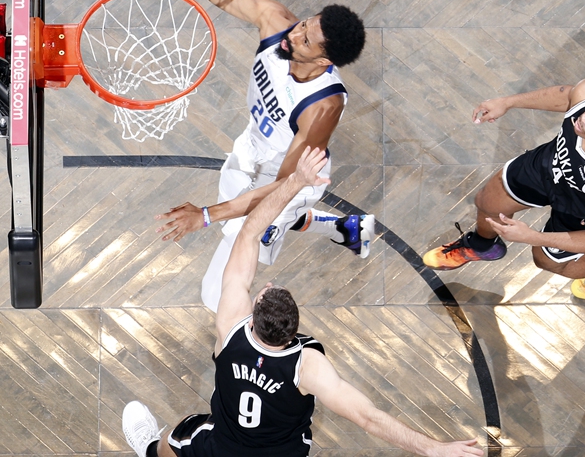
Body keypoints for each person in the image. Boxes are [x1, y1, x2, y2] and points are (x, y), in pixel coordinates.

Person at [122, 147, 484, 457]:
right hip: (282, 451)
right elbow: (368, 418)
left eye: (266, 290)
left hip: (224, 444)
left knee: (178, 440)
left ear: (252, 317)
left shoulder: (231, 323)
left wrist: (295, 181)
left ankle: (150, 449)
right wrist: (434, 449)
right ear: (294, 330)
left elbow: (250, 232)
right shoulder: (307, 364)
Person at [153, 0, 374, 311]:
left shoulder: (322, 107)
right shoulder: (277, 24)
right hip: (252, 148)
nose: (296, 33)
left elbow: (282, 187)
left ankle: (256, 343)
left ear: (324, 60)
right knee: (234, 217)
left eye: (306, 40)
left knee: (217, 295)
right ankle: (345, 228)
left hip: (289, 179)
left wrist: (204, 216)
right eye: (305, 22)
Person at [422, 78, 585, 299]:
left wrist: (532, 237)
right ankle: (483, 246)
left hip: (578, 207)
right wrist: (507, 102)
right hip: (548, 166)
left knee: (546, 260)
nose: (584, 118)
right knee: (487, 202)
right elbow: (565, 96)